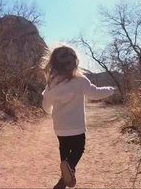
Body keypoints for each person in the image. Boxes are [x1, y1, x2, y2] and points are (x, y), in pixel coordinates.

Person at [41, 45, 115, 188]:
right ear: (75, 62)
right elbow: (95, 93)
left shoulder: (51, 84)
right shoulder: (80, 81)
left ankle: (65, 178)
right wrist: (110, 90)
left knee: (64, 148)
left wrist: (51, 112)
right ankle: (69, 168)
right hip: (76, 126)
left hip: (59, 127)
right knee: (78, 148)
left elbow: (46, 104)